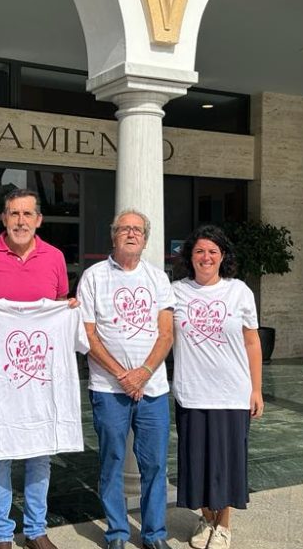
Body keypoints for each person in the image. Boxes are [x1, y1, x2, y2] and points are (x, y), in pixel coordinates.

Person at [0, 188, 72, 549]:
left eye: (27, 214)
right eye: (14, 213)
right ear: (4, 218)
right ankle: (2, 535)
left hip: (39, 380)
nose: (21, 221)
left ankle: (36, 530)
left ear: (39, 219)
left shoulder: (55, 258)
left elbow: (59, 309)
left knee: (40, 454)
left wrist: (68, 311)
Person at [77, 209, 175, 549]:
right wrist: (122, 375)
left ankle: (154, 534)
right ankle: (117, 532)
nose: (131, 234)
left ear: (145, 239)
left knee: (155, 464)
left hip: (153, 389)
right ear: (113, 235)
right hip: (108, 389)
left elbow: (166, 334)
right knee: (112, 461)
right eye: (124, 229)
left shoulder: (158, 278)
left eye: (138, 230)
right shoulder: (93, 277)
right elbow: (88, 336)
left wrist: (143, 373)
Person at [171, 225, 264, 549]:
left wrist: (256, 389)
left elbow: (252, 342)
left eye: (212, 251)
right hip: (192, 392)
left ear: (223, 256)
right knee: (196, 463)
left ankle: (223, 524)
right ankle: (206, 518)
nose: (206, 257)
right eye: (199, 251)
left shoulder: (239, 291)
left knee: (226, 463)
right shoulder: (176, 292)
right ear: (190, 256)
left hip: (232, 393)